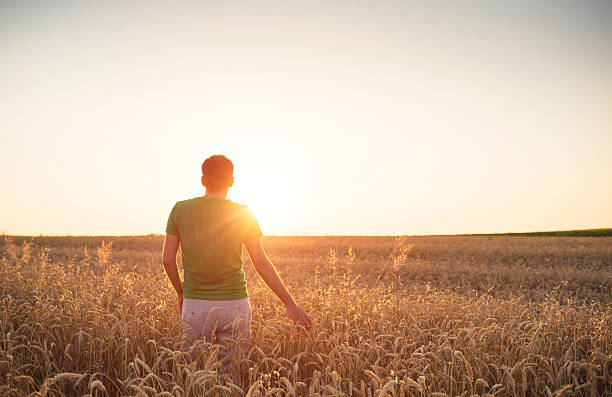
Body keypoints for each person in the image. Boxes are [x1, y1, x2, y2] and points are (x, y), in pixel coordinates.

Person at [162, 154, 312, 374]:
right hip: (235, 305)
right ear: (231, 181)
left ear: (203, 180)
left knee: (193, 375)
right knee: (231, 377)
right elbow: (261, 263)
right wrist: (290, 303)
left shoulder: (180, 209)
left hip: (195, 304)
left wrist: (181, 292)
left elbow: (167, 260)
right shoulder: (243, 214)